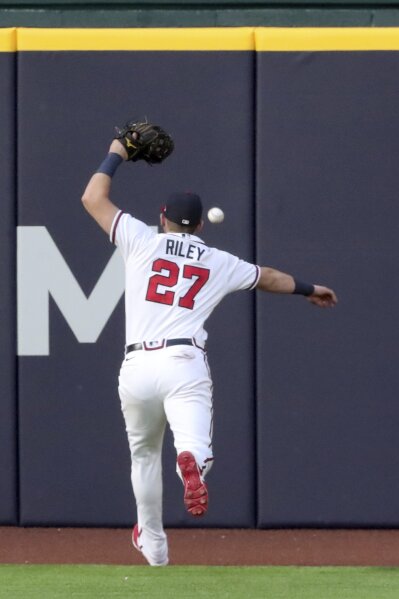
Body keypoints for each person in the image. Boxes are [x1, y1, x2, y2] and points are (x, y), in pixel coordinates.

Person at [81, 138, 338, 567]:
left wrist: (118, 150)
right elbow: (270, 277)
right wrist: (311, 289)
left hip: (138, 365)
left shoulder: (141, 239)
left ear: (162, 219)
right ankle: (192, 462)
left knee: (143, 454)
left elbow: (92, 197)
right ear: (200, 226)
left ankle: (154, 544)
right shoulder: (218, 260)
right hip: (184, 362)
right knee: (194, 443)